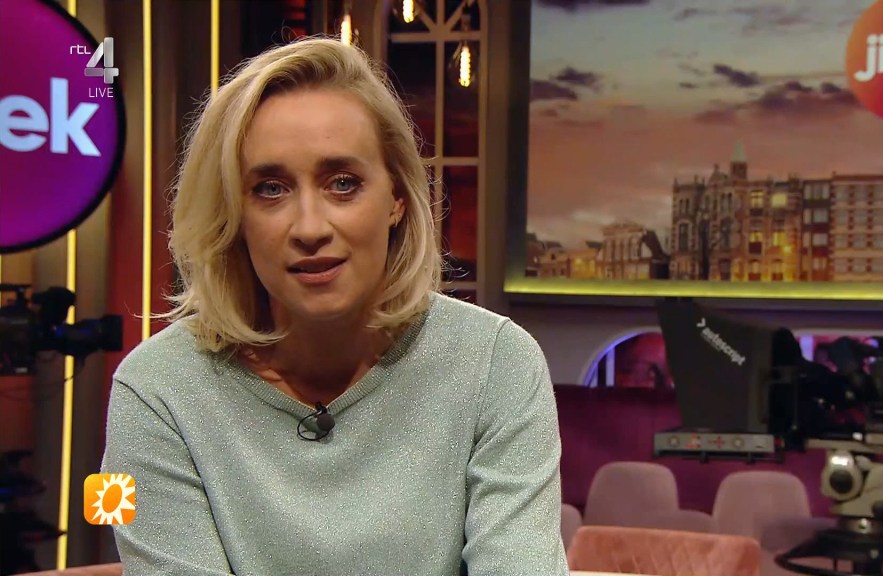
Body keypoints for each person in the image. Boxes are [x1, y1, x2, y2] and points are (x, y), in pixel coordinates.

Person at [100, 36, 568, 576]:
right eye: (270, 189)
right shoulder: (156, 390)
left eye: (343, 184)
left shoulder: (496, 364)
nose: (310, 227)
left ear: (396, 198)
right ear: (233, 214)